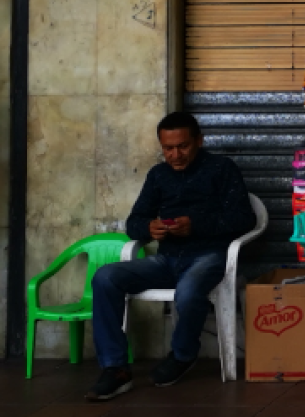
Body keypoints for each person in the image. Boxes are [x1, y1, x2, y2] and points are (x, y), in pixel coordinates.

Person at [85, 112, 256, 401]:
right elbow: (135, 222)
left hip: (209, 256)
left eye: (183, 146)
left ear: (199, 141)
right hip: (166, 260)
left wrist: (195, 226)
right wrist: (148, 228)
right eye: (168, 148)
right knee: (105, 277)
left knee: (189, 291)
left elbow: (244, 218)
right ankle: (115, 368)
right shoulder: (158, 175)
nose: (175, 155)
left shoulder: (221, 168)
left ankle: (182, 354)